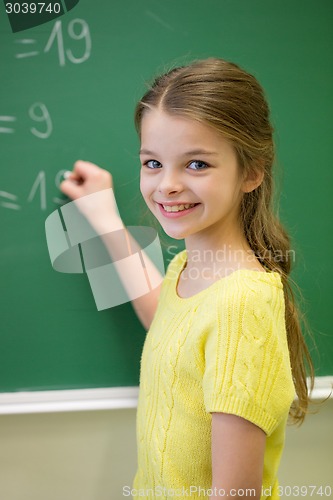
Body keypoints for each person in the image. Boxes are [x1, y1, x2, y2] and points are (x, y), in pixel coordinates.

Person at [60, 58, 314, 499]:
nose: (167, 185)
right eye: (153, 162)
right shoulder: (190, 270)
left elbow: (235, 494)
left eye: (196, 165)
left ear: (252, 172)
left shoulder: (241, 303)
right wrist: (104, 219)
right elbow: (165, 318)